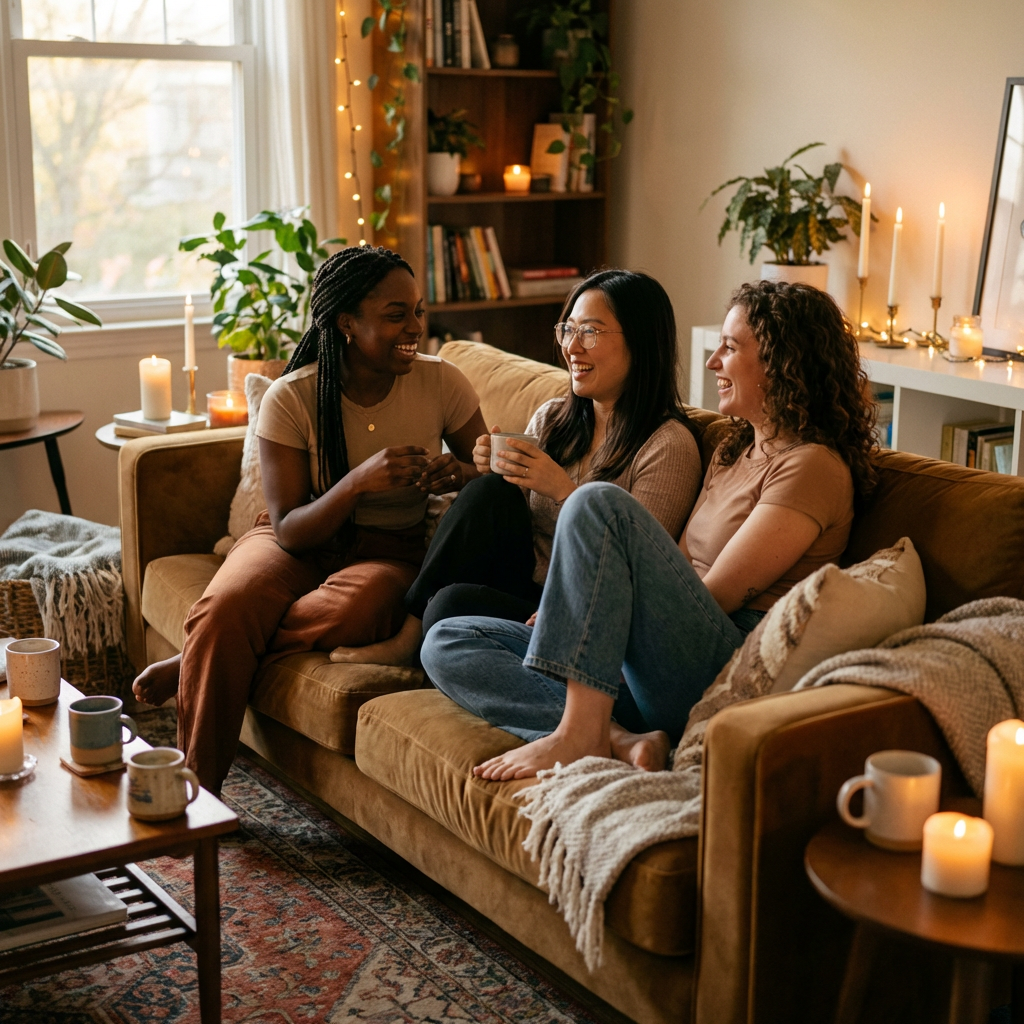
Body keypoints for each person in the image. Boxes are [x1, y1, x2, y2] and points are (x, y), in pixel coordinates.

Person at [420, 280, 878, 781]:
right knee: (449, 639)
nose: (712, 362)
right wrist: (575, 618)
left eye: (729, 347)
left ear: (781, 360)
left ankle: (578, 734)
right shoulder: (734, 450)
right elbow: (674, 561)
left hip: (719, 661)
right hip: (657, 655)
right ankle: (618, 739)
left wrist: (602, 626)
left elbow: (717, 595)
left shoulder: (811, 467)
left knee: (597, 502)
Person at [131, 245, 487, 792]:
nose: (415, 326)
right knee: (226, 605)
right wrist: (356, 483)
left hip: (389, 550)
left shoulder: (443, 382)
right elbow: (291, 526)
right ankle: (197, 802)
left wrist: (456, 474)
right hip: (293, 538)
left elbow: (486, 474)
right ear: (347, 322)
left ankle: (196, 657)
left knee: (358, 608)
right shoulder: (292, 397)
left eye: (418, 310)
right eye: (396, 315)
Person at [330, 269, 704, 668]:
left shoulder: (668, 445)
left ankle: (436, 653)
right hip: (525, 583)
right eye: (568, 330)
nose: (572, 348)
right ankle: (407, 638)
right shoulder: (552, 420)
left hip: (583, 605)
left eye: (590, 333)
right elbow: (502, 517)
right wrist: (485, 469)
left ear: (642, 342)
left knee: (448, 609)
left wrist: (563, 489)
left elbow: (639, 565)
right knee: (488, 495)